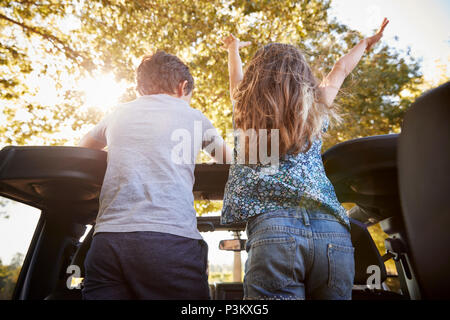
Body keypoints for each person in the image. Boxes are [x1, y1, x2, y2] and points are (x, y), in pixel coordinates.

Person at [220, 18, 389, 300]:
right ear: (303, 75)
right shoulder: (317, 106)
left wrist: (233, 49)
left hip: (274, 231)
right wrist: (365, 43)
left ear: (254, 80)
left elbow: (235, 78)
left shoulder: (245, 108)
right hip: (333, 233)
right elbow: (341, 68)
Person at [78, 50, 231, 299]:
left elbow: (81, 150)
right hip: (170, 243)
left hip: (108, 241)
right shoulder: (194, 117)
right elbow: (228, 162)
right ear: (183, 88)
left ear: (139, 90)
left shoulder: (117, 113)